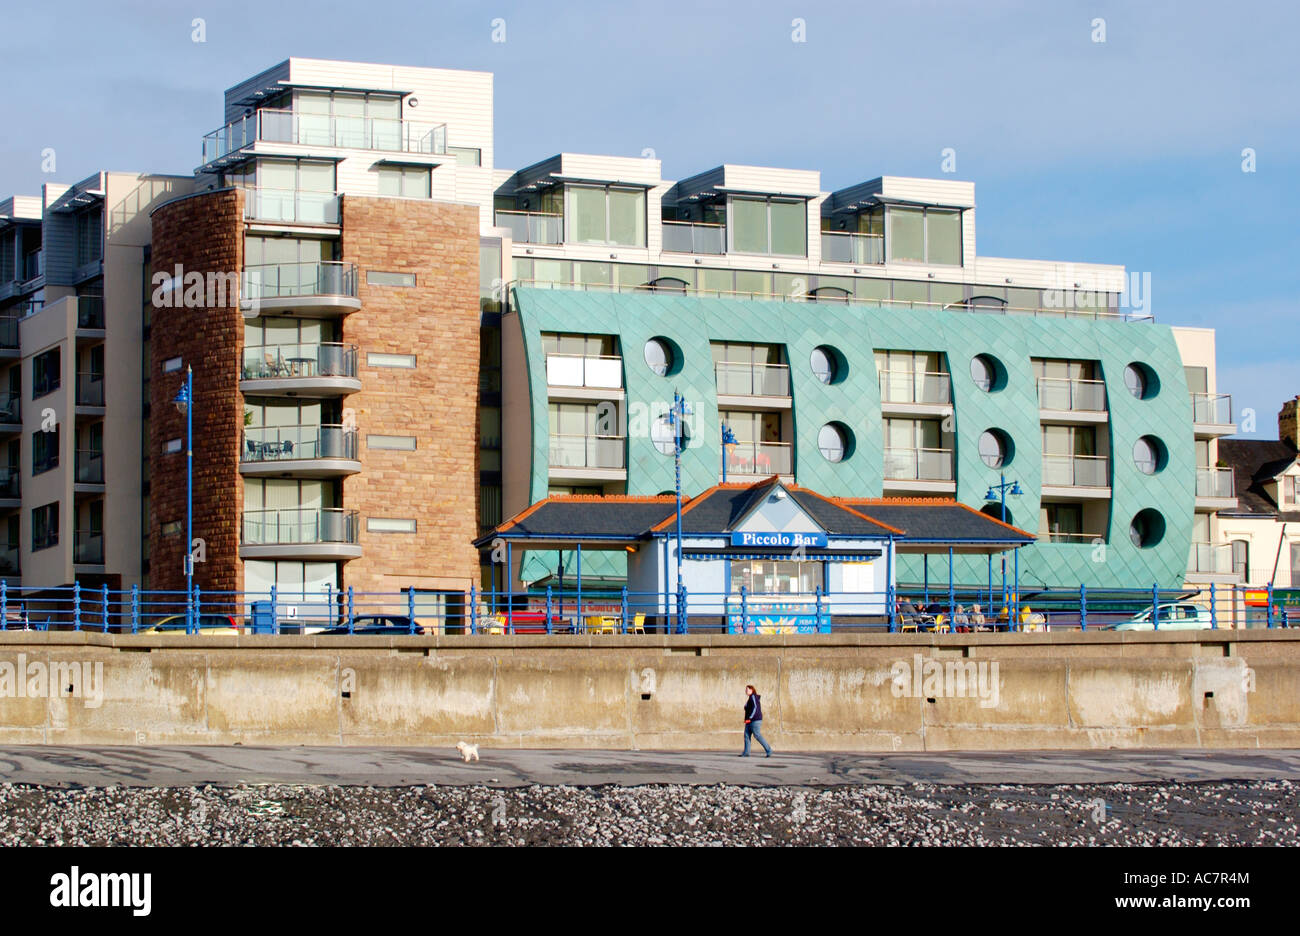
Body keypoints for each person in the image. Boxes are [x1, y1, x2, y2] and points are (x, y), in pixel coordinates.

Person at [741, 684, 772, 757]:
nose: (746, 691)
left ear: (752, 690)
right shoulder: (750, 698)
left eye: (747, 689)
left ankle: (769, 750)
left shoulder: (753, 697)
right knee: (746, 736)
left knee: (757, 735)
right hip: (749, 721)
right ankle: (746, 753)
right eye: (746, 689)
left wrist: (750, 718)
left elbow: (755, 708)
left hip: (755, 721)